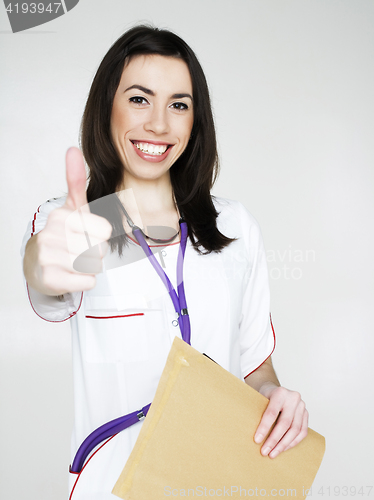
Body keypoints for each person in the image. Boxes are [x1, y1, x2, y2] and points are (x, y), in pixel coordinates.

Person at [21, 25, 308, 499]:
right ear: (106, 106)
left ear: (196, 120)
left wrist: (274, 399)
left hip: (219, 482)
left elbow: (257, 368)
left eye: (178, 104)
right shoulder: (79, 222)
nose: (158, 123)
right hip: (112, 486)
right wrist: (45, 261)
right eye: (139, 99)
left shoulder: (232, 227)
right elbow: (46, 275)